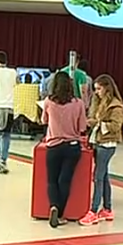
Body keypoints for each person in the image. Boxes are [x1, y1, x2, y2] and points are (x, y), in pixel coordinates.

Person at [80, 74, 123, 226]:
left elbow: (115, 126)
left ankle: (94, 211)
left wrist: (97, 123)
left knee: (98, 177)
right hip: (98, 142)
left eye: (99, 89)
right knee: (104, 176)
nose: (96, 92)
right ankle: (107, 209)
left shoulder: (116, 106)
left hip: (107, 145)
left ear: (107, 88)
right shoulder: (99, 102)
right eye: (95, 89)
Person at [42, 72, 87, 228]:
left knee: (51, 180)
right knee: (65, 180)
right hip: (72, 146)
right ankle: (60, 213)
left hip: (53, 146)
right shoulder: (78, 103)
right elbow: (82, 127)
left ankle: (53, 206)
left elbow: (43, 120)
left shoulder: (48, 101)